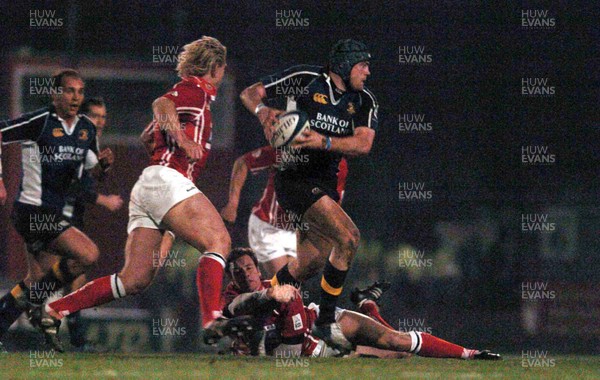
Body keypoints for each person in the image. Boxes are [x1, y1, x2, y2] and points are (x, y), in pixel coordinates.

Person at [41, 36, 251, 344]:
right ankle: (211, 321)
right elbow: (161, 104)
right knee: (219, 240)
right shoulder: (195, 89)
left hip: (151, 187)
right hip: (167, 180)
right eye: (222, 66)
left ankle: (55, 309)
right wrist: (181, 139)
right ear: (216, 67)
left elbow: (146, 135)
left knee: (134, 279)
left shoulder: (195, 98)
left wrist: (167, 231)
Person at [240, 39, 378, 348]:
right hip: (294, 178)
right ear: (345, 65)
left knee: (308, 265)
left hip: (325, 185)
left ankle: (252, 315)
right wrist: (263, 112)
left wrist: (323, 141)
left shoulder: (365, 101)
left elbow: (363, 144)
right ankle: (326, 323)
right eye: (363, 65)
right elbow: (250, 93)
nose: (368, 72)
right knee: (349, 237)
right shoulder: (306, 79)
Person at [222, 247, 501, 360]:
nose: (245, 274)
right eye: (238, 271)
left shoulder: (277, 284)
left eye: (248, 268)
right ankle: (367, 303)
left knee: (397, 343)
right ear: (231, 278)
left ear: (258, 270)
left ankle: (471, 354)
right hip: (316, 350)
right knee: (397, 357)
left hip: (322, 323)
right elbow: (238, 310)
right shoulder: (233, 300)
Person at [0, 69, 110, 351]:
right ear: (55, 94)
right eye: (69, 91)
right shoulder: (39, 122)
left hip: (51, 214)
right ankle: (42, 305)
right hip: (31, 211)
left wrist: (103, 167)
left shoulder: (86, 129)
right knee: (88, 254)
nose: (75, 97)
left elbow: (92, 172)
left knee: (37, 279)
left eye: (80, 91)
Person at [220, 144, 348, 278]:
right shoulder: (290, 150)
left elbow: (334, 202)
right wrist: (232, 204)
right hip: (268, 227)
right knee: (286, 286)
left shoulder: (339, 164)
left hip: (299, 232)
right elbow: (243, 162)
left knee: (291, 290)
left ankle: (253, 297)